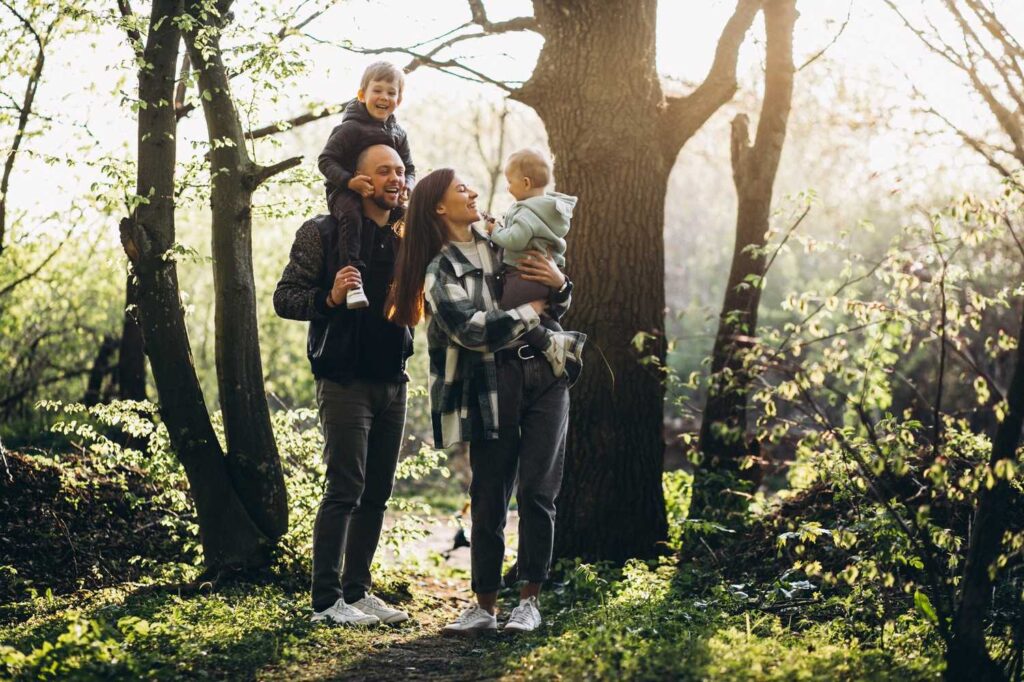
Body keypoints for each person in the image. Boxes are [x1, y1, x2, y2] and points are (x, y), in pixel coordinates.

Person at [386, 168, 585, 635]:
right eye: (461, 189)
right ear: (439, 207)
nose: (474, 192)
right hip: (488, 383)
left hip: (545, 373)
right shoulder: (441, 269)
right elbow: (471, 331)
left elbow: (553, 298)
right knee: (489, 495)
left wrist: (559, 285)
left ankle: (529, 602)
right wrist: (530, 310)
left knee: (538, 490)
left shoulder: (505, 238)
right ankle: (484, 608)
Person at [274, 144, 413, 627]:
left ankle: (357, 592)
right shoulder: (322, 231)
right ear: (358, 179)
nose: (394, 179)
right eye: (383, 171)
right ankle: (325, 602)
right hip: (343, 380)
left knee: (377, 492)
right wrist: (329, 297)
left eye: (399, 170)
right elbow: (284, 298)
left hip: (395, 378)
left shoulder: (405, 233)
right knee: (345, 488)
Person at [318, 61, 416, 309]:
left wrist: (409, 186)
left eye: (391, 92)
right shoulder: (350, 128)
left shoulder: (398, 133)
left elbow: (410, 168)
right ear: (362, 94)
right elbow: (326, 160)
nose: (384, 97)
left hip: (385, 196)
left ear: (399, 100)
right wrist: (349, 181)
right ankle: (353, 280)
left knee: (408, 221)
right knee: (351, 215)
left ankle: (410, 280)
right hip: (345, 191)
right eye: (378, 90)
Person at [488, 148, 580, 378]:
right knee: (543, 316)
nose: (508, 187)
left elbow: (515, 239)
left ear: (526, 183)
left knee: (509, 315)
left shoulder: (526, 211)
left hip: (524, 276)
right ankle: (556, 339)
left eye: (510, 182)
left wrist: (495, 230)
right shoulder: (549, 208)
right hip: (547, 276)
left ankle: (554, 346)